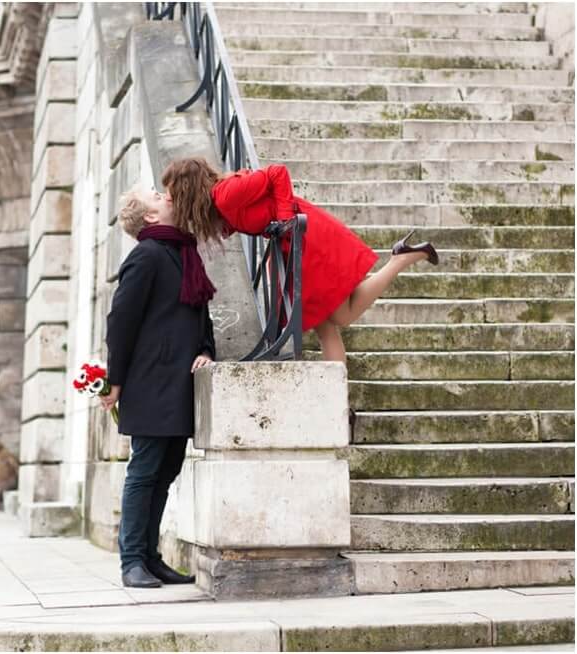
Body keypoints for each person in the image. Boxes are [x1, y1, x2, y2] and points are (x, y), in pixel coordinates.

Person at [160, 157, 438, 364]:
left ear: (188, 190)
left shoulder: (225, 195)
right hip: (291, 245)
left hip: (305, 239)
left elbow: (277, 173)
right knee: (325, 326)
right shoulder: (220, 202)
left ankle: (400, 260)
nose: (170, 199)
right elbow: (248, 213)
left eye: (173, 194)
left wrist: (283, 221)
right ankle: (339, 407)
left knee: (340, 316)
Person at [102, 186, 216, 588]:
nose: (166, 194)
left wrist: (206, 350)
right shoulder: (146, 256)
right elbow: (121, 320)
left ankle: (151, 559)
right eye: (156, 194)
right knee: (145, 470)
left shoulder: (185, 252)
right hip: (150, 382)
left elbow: (200, 316)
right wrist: (113, 381)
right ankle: (131, 560)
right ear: (149, 217)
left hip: (178, 382)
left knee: (166, 472)